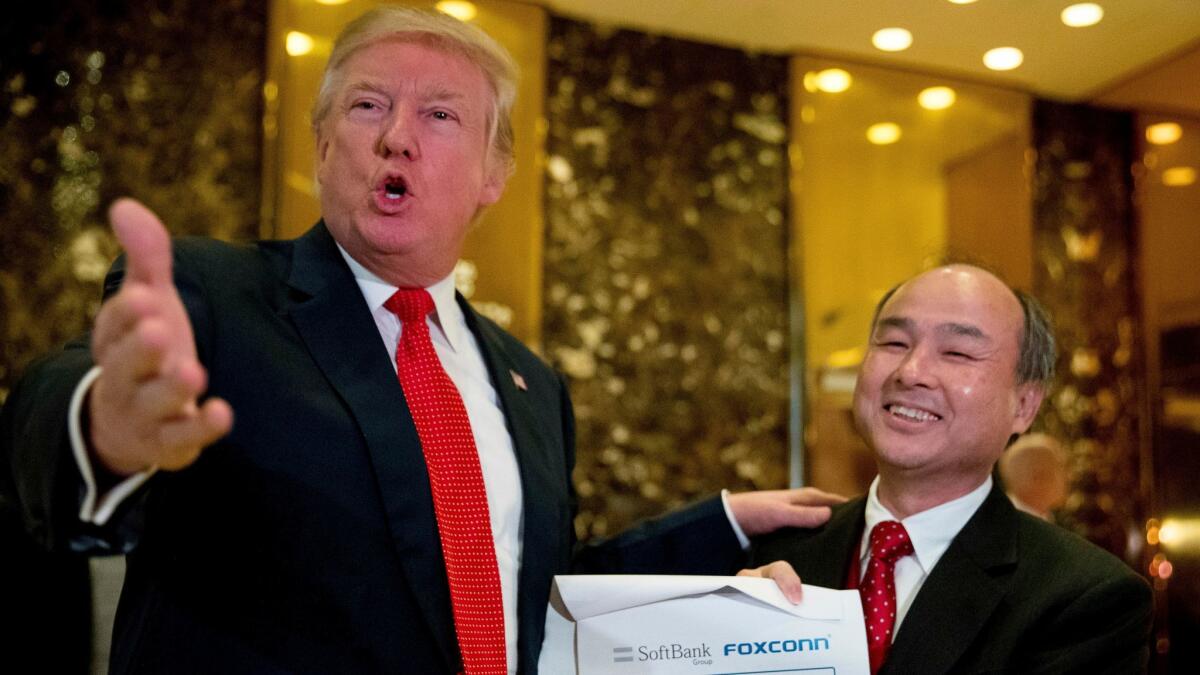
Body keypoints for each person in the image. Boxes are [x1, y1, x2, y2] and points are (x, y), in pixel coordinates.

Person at [0, 7, 844, 674]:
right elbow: (53, 400)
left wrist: (724, 527)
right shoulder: (215, 294)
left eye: (439, 114)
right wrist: (102, 425)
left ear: (494, 175)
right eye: (368, 105)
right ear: (324, 143)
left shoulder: (530, 381)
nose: (397, 134)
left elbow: (524, 583)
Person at [743, 265, 1152, 674]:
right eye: (894, 342)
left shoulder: (1084, 597)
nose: (911, 371)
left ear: (1025, 405)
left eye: (957, 352)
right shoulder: (770, 555)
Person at [998, 431, 1070, 521]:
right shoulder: (1007, 523)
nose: (1067, 477)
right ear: (1036, 477)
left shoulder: (1040, 517)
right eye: (1058, 468)